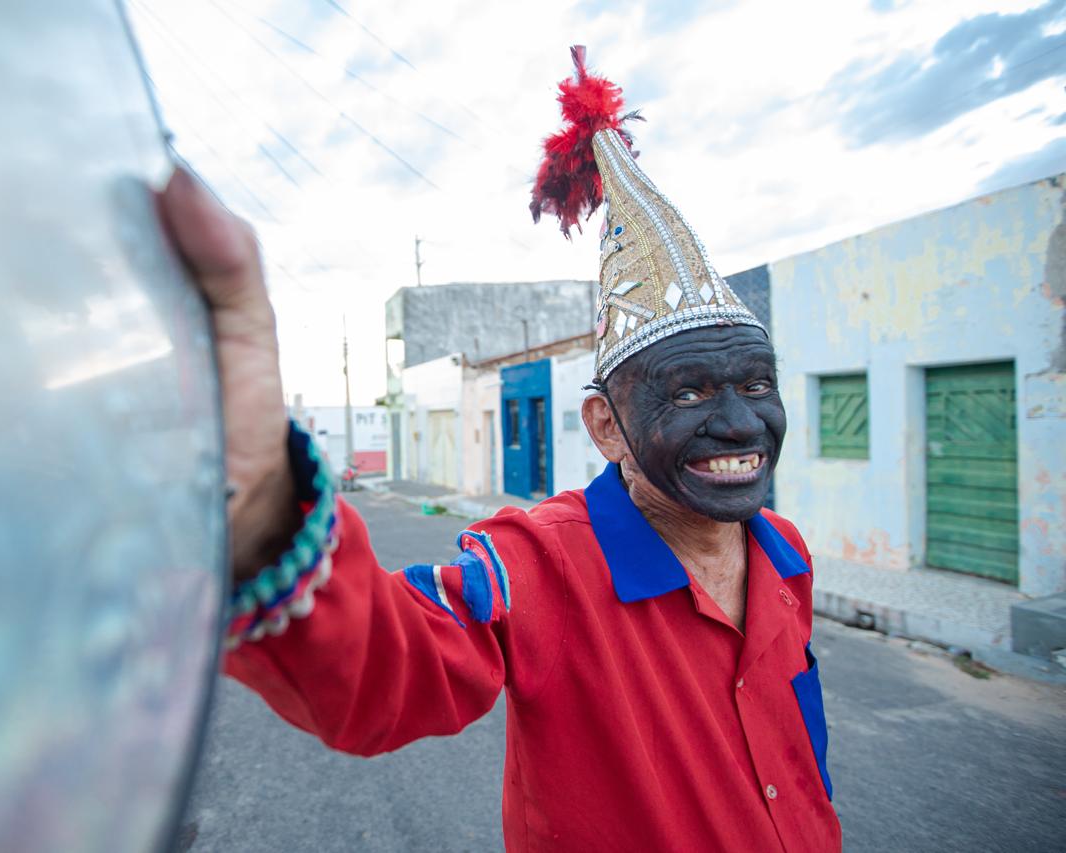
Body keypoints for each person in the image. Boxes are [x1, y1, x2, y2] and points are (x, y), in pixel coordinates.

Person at [157, 47, 841, 852]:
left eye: (757, 383)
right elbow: (387, 668)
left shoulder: (785, 552)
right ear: (604, 425)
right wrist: (267, 500)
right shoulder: (539, 564)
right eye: (688, 391)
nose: (739, 423)